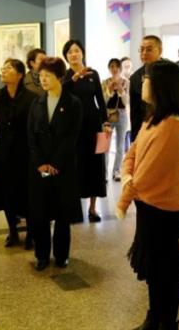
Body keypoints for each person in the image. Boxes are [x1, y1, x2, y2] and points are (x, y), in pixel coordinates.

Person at [116, 60, 179, 330]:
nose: (143, 82)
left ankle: (166, 322)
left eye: (147, 79)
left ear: (161, 85)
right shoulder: (153, 119)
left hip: (163, 210)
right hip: (148, 206)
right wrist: (128, 177)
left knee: (165, 272)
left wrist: (124, 197)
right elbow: (132, 154)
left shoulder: (173, 125)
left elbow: (146, 174)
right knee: (153, 269)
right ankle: (154, 318)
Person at [27, 57, 83, 270]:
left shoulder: (73, 103)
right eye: (41, 75)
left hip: (63, 167)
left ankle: (61, 255)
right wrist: (40, 163)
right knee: (40, 213)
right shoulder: (37, 103)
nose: (43, 79)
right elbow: (31, 136)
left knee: (62, 213)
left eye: (48, 76)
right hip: (40, 168)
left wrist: (56, 163)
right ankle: (42, 255)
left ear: (60, 77)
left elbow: (72, 137)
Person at [0, 59, 37, 249]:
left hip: (24, 153)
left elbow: (34, 127)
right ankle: (13, 231)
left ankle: (31, 233)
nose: (3, 70)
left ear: (20, 74)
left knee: (27, 194)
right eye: (3, 68)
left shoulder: (31, 98)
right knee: (6, 193)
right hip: (3, 152)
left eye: (9, 68)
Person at [62, 40, 110, 222]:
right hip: (72, 127)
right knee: (75, 165)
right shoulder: (65, 76)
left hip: (93, 124)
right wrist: (74, 79)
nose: (73, 54)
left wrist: (105, 122)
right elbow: (61, 96)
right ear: (66, 56)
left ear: (82, 53)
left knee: (95, 165)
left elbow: (100, 99)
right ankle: (74, 208)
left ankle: (92, 208)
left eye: (76, 51)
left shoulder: (93, 73)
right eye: (69, 52)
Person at [130, 36, 179, 142]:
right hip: (147, 132)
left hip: (173, 129)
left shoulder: (173, 71)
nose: (144, 53)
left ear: (160, 50)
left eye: (149, 49)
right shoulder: (135, 78)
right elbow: (135, 113)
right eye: (141, 49)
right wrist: (135, 140)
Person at [102, 58, 129, 182]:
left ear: (120, 68)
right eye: (112, 66)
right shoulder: (104, 82)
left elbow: (126, 102)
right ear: (109, 68)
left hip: (122, 115)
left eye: (117, 66)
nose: (114, 69)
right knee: (105, 145)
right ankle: (104, 173)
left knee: (120, 144)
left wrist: (121, 90)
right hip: (108, 114)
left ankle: (117, 171)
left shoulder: (126, 82)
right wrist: (109, 89)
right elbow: (103, 102)